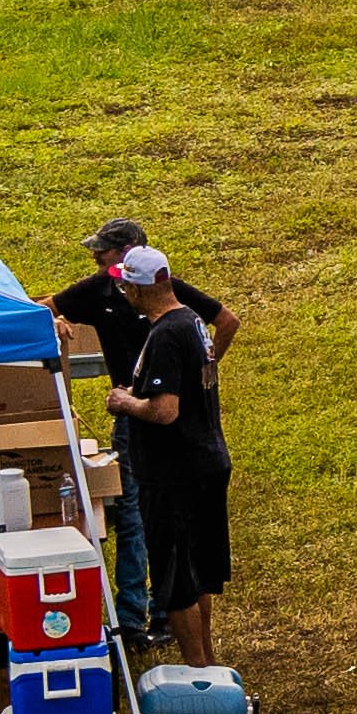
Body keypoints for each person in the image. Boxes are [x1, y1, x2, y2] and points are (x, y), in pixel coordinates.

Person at [87, 223, 240, 665]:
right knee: (197, 573)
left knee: (174, 582)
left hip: (174, 473)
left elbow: (165, 410)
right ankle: (208, 662)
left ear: (137, 290)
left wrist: (124, 402)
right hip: (208, 459)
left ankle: (198, 672)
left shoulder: (164, 335)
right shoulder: (192, 321)